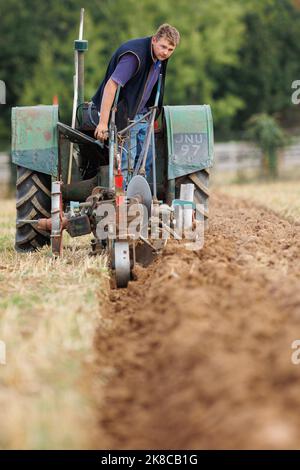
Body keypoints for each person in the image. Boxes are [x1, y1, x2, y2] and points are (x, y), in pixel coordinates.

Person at [92, 24, 180, 181]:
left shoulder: (159, 57)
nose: (166, 52)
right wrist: (103, 123)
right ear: (154, 40)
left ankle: (140, 199)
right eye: (163, 47)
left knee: (146, 162)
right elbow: (111, 85)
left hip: (143, 115)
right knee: (126, 162)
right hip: (123, 115)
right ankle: (124, 201)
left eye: (170, 50)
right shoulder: (134, 57)